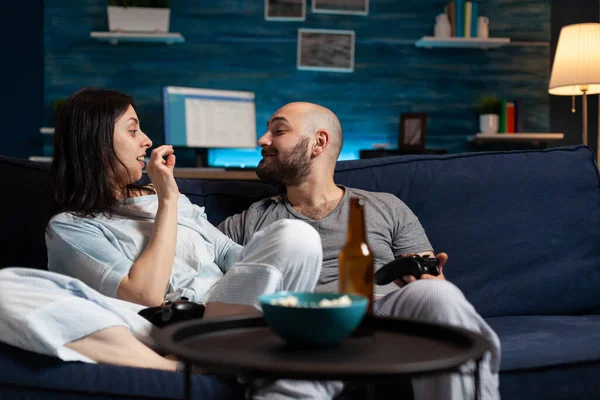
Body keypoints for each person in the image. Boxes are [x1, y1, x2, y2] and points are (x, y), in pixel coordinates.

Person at [0, 89, 331, 398]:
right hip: (146, 327)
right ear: (96, 142)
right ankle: (181, 366)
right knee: (5, 286)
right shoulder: (72, 226)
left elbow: (239, 259)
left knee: (295, 236)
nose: (146, 141)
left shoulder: (178, 203)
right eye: (132, 131)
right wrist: (167, 201)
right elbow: (145, 293)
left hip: (221, 317)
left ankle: (212, 353)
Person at [218, 102, 502, 400]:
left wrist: (430, 279)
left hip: (383, 313)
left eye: (278, 131)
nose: (262, 140)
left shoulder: (386, 206)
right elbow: (198, 262)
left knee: (438, 296)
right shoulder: (250, 220)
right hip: (308, 324)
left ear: (319, 142)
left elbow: (430, 280)